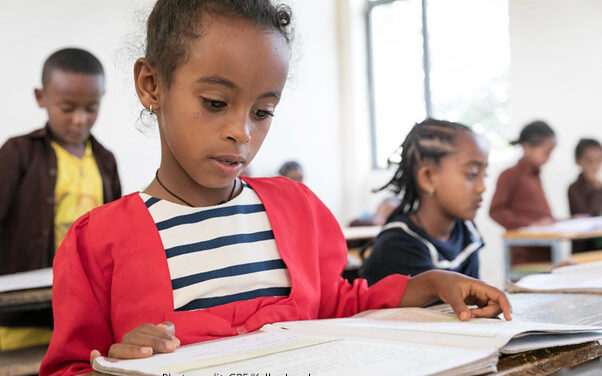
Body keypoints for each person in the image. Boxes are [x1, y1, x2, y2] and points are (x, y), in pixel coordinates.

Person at [40, 2, 511, 375]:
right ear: (151, 85)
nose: (242, 133)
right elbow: (69, 366)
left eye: (263, 111)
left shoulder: (295, 208)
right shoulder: (96, 242)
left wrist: (427, 284)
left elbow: (338, 304)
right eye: (215, 102)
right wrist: (113, 369)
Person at [0, 48, 121, 351]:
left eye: (91, 108)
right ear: (41, 97)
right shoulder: (18, 154)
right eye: (67, 108)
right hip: (20, 321)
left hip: (83, 319)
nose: (80, 120)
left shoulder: (105, 161)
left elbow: (114, 238)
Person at [360, 119, 486, 284]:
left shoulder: (466, 231)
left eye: (485, 175)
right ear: (428, 178)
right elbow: (436, 309)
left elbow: (474, 301)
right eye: (472, 174)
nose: (482, 187)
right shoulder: (399, 246)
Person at [490, 120, 556, 264]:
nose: (549, 157)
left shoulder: (535, 175)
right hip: (524, 256)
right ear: (527, 147)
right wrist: (530, 224)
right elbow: (496, 211)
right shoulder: (509, 175)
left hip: (546, 250)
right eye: (546, 152)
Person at [568, 138, 602, 252]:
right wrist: (595, 188)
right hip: (584, 248)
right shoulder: (573, 188)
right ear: (578, 161)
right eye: (589, 161)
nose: (595, 166)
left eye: (598, 160)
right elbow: (590, 214)